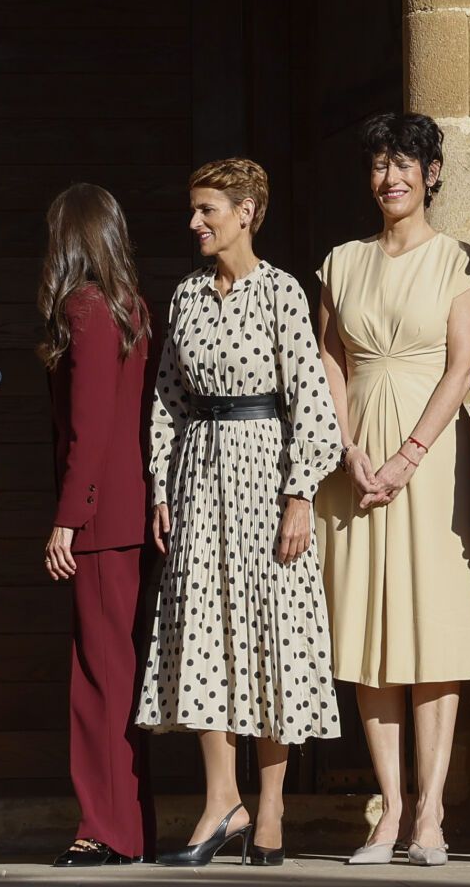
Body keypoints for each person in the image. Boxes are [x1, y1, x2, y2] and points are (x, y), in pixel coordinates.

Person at [138, 157, 344, 868]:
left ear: (246, 211)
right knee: (205, 630)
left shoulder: (283, 292)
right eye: (195, 211)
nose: (195, 222)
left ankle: (273, 807)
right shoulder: (187, 296)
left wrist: (300, 493)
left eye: (207, 210)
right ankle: (220, 799)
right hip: (200, 473)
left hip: (266, 472)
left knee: (270, 634)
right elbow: (168, 397)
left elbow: (311, 401)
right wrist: (162, 489)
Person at [313, 112, 470, 867]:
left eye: (405, 165)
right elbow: (329, 358)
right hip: (355, 463)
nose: (390, 179)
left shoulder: (460, 261)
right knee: (367, 634)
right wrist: (350, 447)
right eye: (379, 165)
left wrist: (408, 455)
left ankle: (430, 814)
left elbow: (462, 366)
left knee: (431, 632)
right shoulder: (340, 261)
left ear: (430, 174)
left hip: (429, 462)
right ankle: (387, 811)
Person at [37, 184, 155, 869]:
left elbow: (89, 427)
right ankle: (128, 828)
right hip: (122, 517)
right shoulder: (130, 307)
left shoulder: (84, 309)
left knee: (99, 679)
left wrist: (67, 522)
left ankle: (103, 829)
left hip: (102, 522)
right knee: (118, 674)